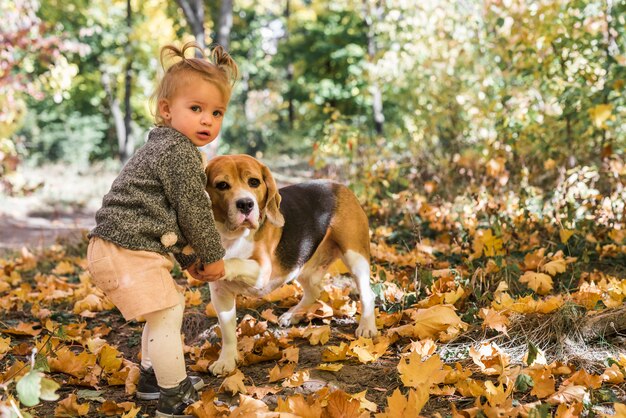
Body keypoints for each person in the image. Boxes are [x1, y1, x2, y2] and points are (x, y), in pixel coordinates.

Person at [87, 41, 238, 417]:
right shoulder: (179, 153)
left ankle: (153, 379)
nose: (208, 120)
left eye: (217, 112)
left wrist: (187, 260)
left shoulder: (165, 146)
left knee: (163, 310)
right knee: (169, 311)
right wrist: (213, 258)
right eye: (196, 109)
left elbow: (164, 220)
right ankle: (175, 395)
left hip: (123, 245)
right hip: (124, 248)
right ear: (166, 110)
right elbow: (193, 212)